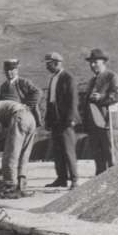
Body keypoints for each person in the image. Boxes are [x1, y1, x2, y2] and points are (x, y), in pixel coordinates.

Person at [82, 48, 118, 175]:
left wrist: (101, 97)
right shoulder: (92, 81)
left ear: (104, 62)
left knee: (111, 155)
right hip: (94, 124)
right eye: (91, 62)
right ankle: (100, 182)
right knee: (98, 157)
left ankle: (116, 180)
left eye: (95, 62)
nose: (92, 65)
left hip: (108, 123)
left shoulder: (112, 77)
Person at [42, 52, 79, 188]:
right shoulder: (53, 78)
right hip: (55, 119)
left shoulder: (68, 78)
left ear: (56, 63)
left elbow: (73, 100)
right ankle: (61, 178)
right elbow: (50, 101)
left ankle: (74, 179)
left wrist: (71, 118)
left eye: (49, 64)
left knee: (68, 150)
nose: (47, 67)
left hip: (65, 120)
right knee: (57, 151)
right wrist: (48, 119)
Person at [0, 99, 37, 191]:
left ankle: (9, 183)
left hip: (19, 117)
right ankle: (21, 180)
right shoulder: (4, 105)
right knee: (24, 153)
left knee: (11, 153)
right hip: (31, 119)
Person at [0, 59, 42, 125]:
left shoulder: (24, 82)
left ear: (16, 70)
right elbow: (0, 100)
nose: (8, 72)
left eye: (11, 70)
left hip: (23, 115)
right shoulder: (3, 86)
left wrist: (27, 105)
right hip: (8, 116)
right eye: (6, 70)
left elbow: (37, 92)